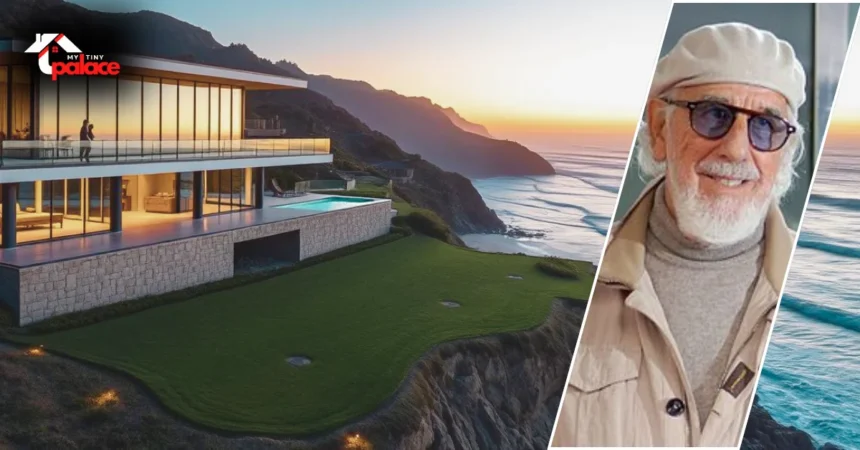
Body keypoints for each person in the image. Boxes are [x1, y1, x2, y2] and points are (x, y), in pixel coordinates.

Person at [552, 22, 803, 448]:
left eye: (765, 126)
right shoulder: (587, 282)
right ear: (659, 128)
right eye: (713, 115)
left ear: (785, 151)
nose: (736, 150)